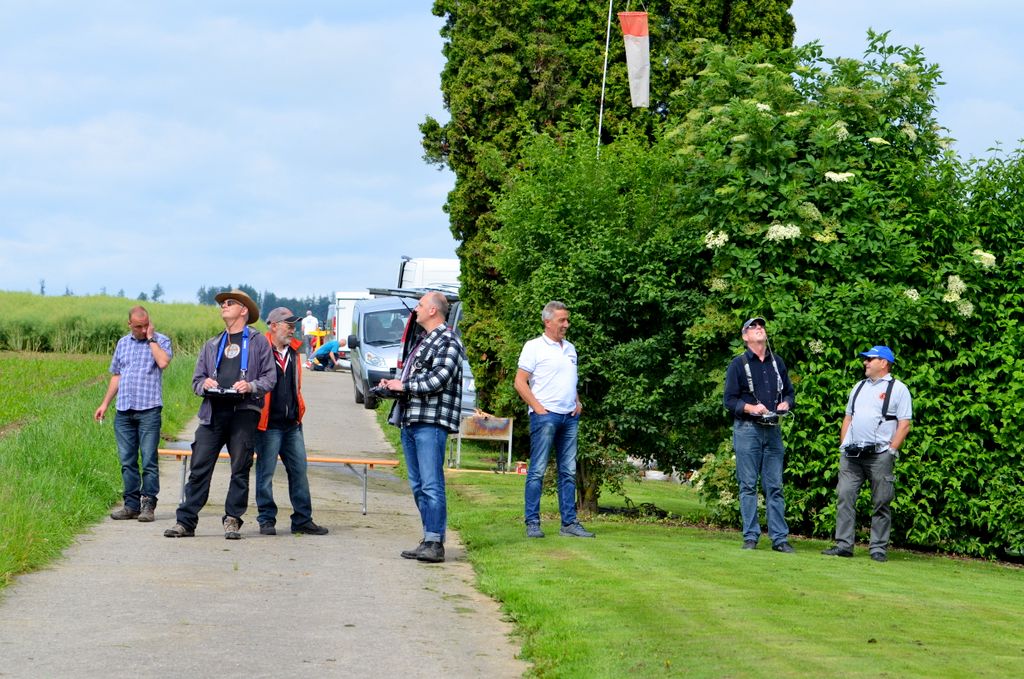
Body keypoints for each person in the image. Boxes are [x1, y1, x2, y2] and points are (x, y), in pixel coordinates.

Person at [164, 290, 276, 540]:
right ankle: (185, 522)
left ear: (243, 310)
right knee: (199, 468)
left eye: (229, 303)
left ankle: (232, 519)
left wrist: (251, 386)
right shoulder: (213, 343)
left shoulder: (258, 341)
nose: (223, 306)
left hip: (244, 412)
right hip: (213, 412)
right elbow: (196, 381)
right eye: (222, 303)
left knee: (240, 469)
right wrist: (204, 384)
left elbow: (270, 378)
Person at [380, 291, 464, 564]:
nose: (415, 309)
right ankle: (428, 537)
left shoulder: (448, 340)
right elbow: (413, 377)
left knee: (431, 483)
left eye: (420, 305)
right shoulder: (424, 340)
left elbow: (439, 379)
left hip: (431, 422)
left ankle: (435, 542)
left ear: (433, 311)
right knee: (418, 484)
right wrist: (392, 385)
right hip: (411, 419)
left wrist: (404, 386)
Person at [822, 346, 913, 563]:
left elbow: (904, 424)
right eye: (866, 359)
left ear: (884, 363)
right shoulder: (859, 386)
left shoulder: (898, 389)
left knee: (881, 501)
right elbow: (848, 417)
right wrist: (843, 445)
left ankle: (878, 548)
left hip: (880, 454)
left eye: (870, 359)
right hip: (852, 455)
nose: (865, 362)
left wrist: (891, 451)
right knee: (844, 496)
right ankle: (844, 545)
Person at [516, 301, 594, 539]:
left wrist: (577, 402)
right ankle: (532, 522)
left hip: (569, 418)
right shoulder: (533, 347)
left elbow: (569, 379)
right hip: (545, 417)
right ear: (547, 322)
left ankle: (568, 523)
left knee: (568, 472)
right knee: (537, 471)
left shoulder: (570, 348)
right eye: (562, 320)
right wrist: (539, 409)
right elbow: (520, 382)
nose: (566, 324)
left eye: (567, 320)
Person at [254, 307, 329, 536]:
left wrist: (298, 412)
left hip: (292, 424)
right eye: (288, 325)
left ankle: (302, 519)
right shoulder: (259, 350)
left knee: (299, 473)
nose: (292, 329)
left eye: (294, 325)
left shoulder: (295, 352)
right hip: (268, 425)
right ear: (273, 326)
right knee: (265, 475)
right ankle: (266, 520)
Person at [723, 317, 796, 552]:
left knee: (775, 486)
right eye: (753, 327)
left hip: (773, 429)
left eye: (761, 326)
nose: (759, 329)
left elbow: (790, 393)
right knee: (748, 485)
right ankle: (750, 537)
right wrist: (751, 408)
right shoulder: (738, 364)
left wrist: (786, 403)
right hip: (747, 429)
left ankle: (779, 539)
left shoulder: (777, 362)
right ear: (745, 336)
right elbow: (729, 401)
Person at [94, 306, 172, 523]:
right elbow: (117, 375)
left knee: (148, 460)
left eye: (146, 325)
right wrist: (105, 404)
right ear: (129, 324)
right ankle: (131, 505)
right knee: (127, 461)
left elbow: (163, 362)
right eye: (138, 326)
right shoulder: (123, 343)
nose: (143, 329)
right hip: (124, 410)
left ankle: (148, 504)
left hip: (149, 410)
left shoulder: (160, 340)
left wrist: (151, 339)